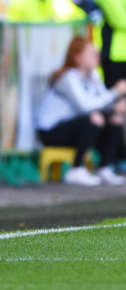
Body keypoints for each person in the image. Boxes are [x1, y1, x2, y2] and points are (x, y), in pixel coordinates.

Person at [34, 37, 126, 187]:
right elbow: (85, 107)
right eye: (91, 54)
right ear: (77, 57)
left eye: (97, 53)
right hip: (50, 132)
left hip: (76, 127)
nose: (97, 57)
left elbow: (101, 102)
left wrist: (116, 107)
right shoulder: (69, 77)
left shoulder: (94, 76)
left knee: (115, 118)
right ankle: (76, 169)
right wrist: (115, 92)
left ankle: (104, 168)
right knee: (95, 118)